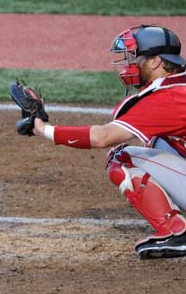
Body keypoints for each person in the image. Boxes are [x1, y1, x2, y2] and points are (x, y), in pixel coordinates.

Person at [29, 25, 186, 259]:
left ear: (155, 62)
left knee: (121, 155)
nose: (128, 65)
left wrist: (43, 129)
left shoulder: (169, 98)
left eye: (135, 57)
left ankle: (176, 233)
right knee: (157, 140)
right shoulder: (177, 86)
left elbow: (103, 137)